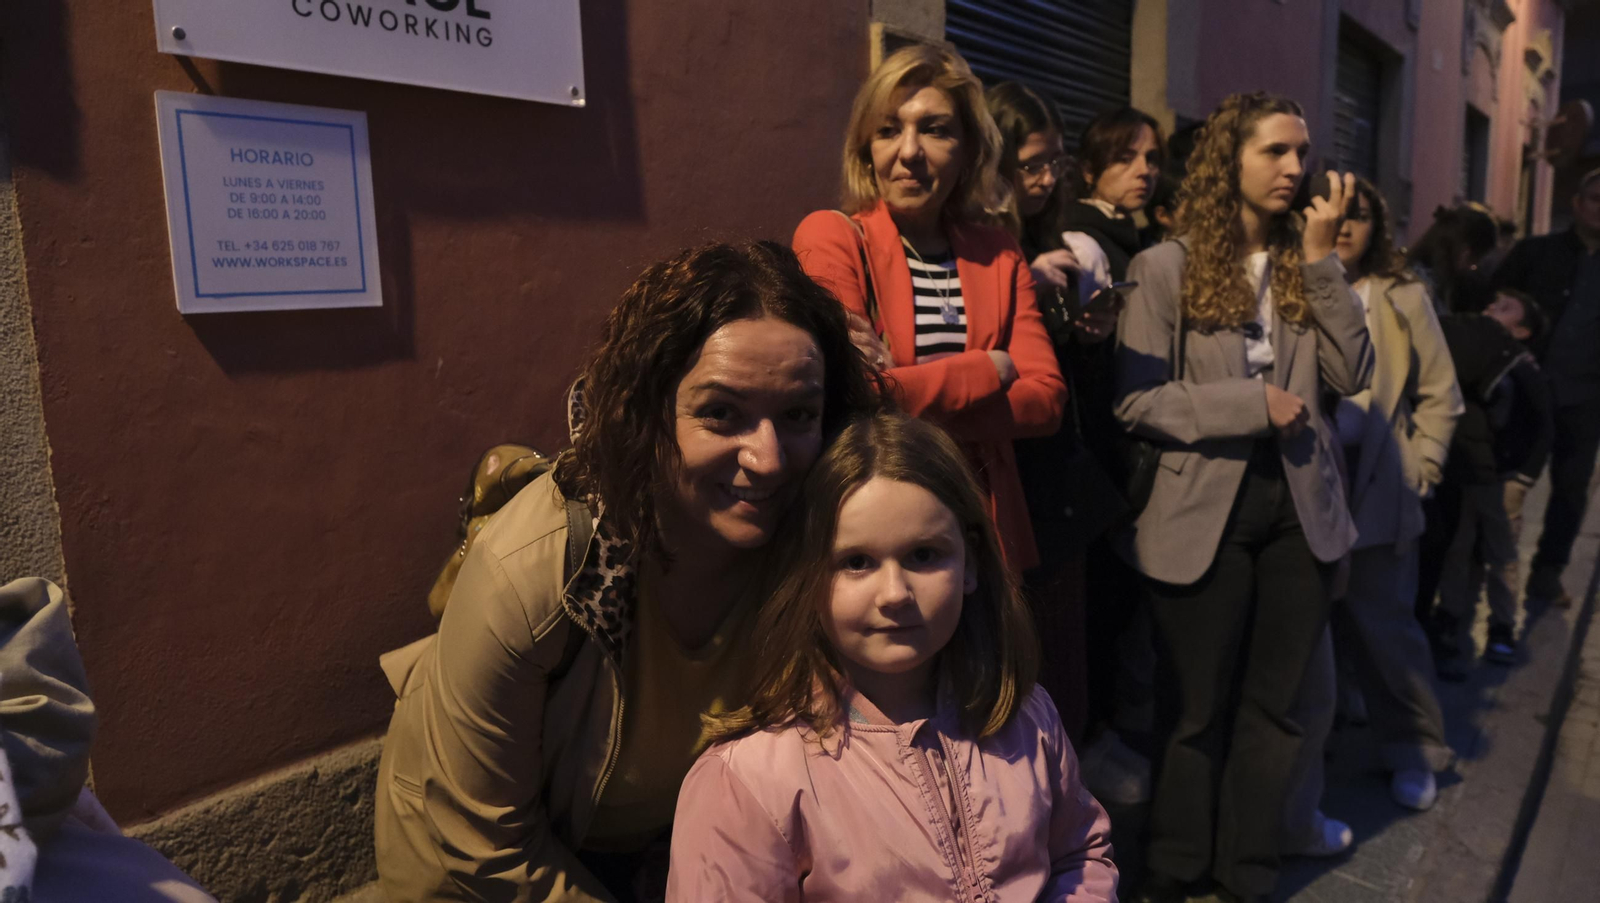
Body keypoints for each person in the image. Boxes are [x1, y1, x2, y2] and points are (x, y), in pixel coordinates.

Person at [372, 242, 884, 903]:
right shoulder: (540, 568)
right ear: (647, 413)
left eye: (798, 415)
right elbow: (484, 845)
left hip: (663, 850)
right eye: (720, 413)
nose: (767, 457)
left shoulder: (815, 535)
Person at [665, 410, 1118, 902]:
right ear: (808, 577)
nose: (895, 593)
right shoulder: (749, 782)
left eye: (924, 555)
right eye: (856, 562)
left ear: (969, 563)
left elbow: (1079, 855)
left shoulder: (1026, 717)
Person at [1114, 92, 1372, 903]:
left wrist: (1327, 264)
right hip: (1204, 509)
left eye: (1303, 152)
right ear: (1230, 160)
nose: (1296, 168)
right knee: (1194, 708)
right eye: (1275, 152)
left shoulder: (1308, 264)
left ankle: (1246, 873)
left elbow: (1353, 374)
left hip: (1299, 507)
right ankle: (1176, 867)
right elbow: (1137, 401)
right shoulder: (1164, 267)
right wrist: (1248, 404)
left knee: (1278, 708)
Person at [792, 44, 1067, 575]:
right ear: (866, 147)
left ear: (968, 148)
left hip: (983, 528)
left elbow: (1047, 401)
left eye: (936, 129)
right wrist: (988, 368)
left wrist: (902, 390)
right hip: (875, 530)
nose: (909, 151)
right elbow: (851, 394)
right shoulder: (832, 238)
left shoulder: (1000, 251)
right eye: (889, 130)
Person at [1308, 176, 1463, 821]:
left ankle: (1416, 749)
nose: (1346, 225)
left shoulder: (1402, 296)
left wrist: (1420, 469)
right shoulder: (1291, 281)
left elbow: (1441, 394)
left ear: (1379, 226)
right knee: (1312, 633)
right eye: (1336, 212)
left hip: (1379, 484)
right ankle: (1324, 745)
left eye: (1360, 215)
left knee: (1387, 629)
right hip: (1309, 483)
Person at [1429, 289, 1554, 673]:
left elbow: (1542, 420)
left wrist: (1525, 475)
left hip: (1501, 475)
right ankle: (1451, 617)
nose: (1488, 310)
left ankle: (1500, 626)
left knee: (1500, 553)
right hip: (1473, 469)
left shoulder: (1519, 366)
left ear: (1522, 332)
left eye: (1502, 309)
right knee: (1460, 547)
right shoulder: (1480, 352)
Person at [1492, 168, 1600, 606]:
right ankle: (1491, 567)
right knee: (1504, 483)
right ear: (1577, 203)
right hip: (1526, 392)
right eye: (1595, 199)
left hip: (1586, 396)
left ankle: (1546, 573)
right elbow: (1494, 304)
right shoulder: (1537, 253)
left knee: (1571, 490)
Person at [1406, 204, 1498, 315]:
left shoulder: (1414, 273)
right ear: (1465, 253)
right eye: (1475, 261)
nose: (1473, 268)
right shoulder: (1425, 288)